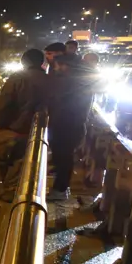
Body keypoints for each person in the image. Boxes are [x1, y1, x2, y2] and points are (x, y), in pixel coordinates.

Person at [0, 49, 49, 202]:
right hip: (37, 131)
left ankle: (10, 191)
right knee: (24, 162)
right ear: (42, 63)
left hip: (13, 129)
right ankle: (14, 190)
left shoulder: (17, 78)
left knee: (0, 156)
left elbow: (4, 104)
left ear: (23, 62)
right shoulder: (49, 80)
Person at [47, 50, 95, 201]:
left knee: (64, 157)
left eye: (58, 66)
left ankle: (60, 189)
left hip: (68, 126)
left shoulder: (72, 83)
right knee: (62, 157)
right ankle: (60, 187)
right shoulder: (76, 81)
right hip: (68, 125)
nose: (56, 69)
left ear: (66, 66)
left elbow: (59, 101)